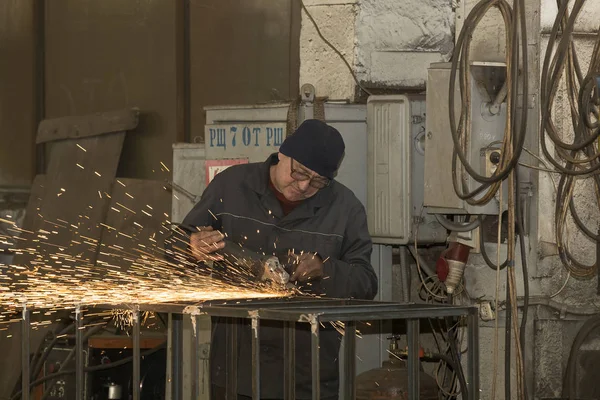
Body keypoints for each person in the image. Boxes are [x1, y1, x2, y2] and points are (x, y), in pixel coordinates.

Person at [175, 119, 378, 400]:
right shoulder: (232, 185)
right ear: (282, 154)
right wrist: (191, 246)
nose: (305, 185)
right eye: (299, 173)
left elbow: (366, 282)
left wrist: (325, 270)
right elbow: (176, 243)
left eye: (318, 181)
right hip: (236, 371)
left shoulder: (346, 208)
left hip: (308, 375)